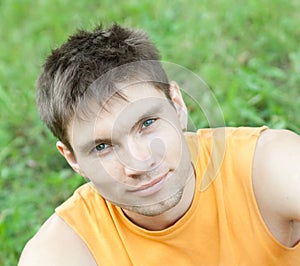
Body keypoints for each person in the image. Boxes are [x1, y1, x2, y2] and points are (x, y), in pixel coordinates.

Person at [19, 24, 300, 265]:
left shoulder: (266, 166)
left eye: (147, 123)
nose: (139, 161)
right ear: (72, 159)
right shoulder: (62, 252)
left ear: (177, 105)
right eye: (102, 146)